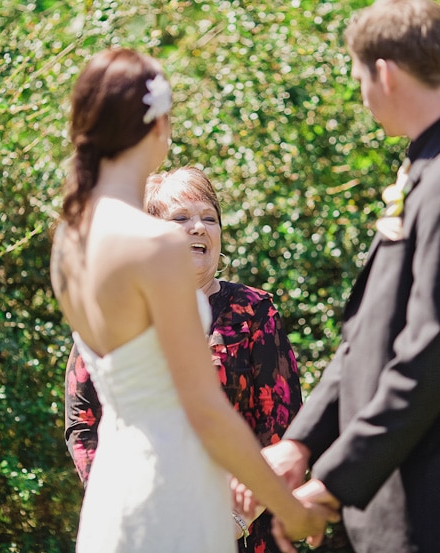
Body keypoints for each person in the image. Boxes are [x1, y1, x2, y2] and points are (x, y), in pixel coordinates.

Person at [261, 1, 440, 552]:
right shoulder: (436, 163)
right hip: (410, 500)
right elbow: (372, 331)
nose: (362, 95)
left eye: (360, 78)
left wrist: (332, 486)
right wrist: (302, 443)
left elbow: (431, 351)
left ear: (384, 72)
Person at [50, 47, 336, 553]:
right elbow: (205, 411)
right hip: (174, 496)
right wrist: (290, 509)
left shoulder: (71, 239)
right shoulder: (154, 245)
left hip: (115, 494)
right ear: (155, 124)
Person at [64, 166, 304, 553]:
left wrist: (237, 518)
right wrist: (123, 506)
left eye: (209, 218)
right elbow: (83, 420)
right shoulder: (118, 311)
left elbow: (281, 423)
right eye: (181, 218)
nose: (198, 227)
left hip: (239, 531)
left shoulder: (253, 310)